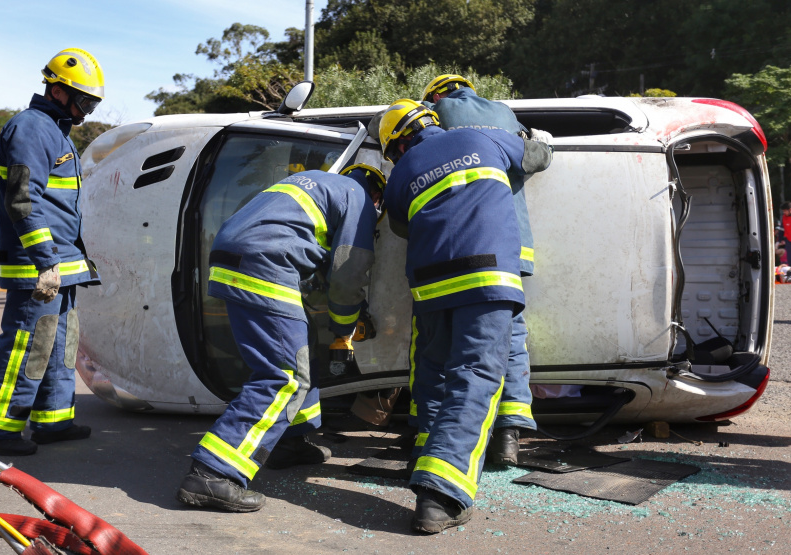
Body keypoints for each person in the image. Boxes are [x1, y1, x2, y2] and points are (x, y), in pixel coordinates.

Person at [378, 99, 552, 533]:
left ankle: (426, 454)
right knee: (474, 376)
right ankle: (442, 494)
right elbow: (535, 158)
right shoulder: (481, 137)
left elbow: (400, 225)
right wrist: (537, 141)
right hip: (486, 274)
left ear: (396, 146)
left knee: (434, 371)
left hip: (429, 286)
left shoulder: (401, 173)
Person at [177, 164, 385, 513]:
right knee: (285, 375)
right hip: (266, 263)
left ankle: (291, 443)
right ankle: (212, 473)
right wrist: (345, 327)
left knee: (299, 347)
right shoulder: (359, 197)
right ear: (377, 194)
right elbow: (349, 272)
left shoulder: (314, 183)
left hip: (233, 257)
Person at [0, 48, 105, 457]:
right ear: (58, 90)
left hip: (62, 261)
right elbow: (22, 201)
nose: (86, 110)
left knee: (60, 343)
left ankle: (53, 420)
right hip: (40, 266)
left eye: (92, 103)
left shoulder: (56, 131)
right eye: (83, 101)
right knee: (26, 344)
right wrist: (45, 261)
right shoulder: (30, 128)